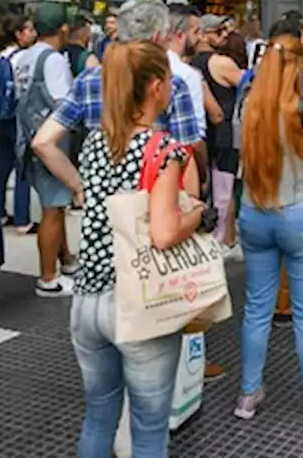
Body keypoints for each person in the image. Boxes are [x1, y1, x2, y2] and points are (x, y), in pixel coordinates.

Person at [67, 40, 205, 456]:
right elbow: (164, 233)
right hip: (138, 303)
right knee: (147, 430)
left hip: (87, 301)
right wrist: (197, 213)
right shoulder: (164, 150)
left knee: (98, 416)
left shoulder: (94, 142)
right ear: (156, 87)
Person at [232, 25, 303, 426]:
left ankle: (248, 395)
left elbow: (239, 164)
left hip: (255, 213)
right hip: (299, 213)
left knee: (257, 309)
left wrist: (229, 219)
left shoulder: (248, 108)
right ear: (298, 65)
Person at [12, 4, 78, 298]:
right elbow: (64, 103)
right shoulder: (53, 59)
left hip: (27, 139)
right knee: (52, 209)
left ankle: (66, 260)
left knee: (56, 204)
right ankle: (48, 278)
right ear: (63, 29)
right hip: (50, 143)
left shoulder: (25, 56)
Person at [193, 17, 246, 253]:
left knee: (204, 188)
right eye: (218, 31)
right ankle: (223, 239)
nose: (225, 35)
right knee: (225, 189)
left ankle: (222, 238)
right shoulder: (221, 62)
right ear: (203, 34)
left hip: (200, 134)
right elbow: (249, 85)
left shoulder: (188, 63)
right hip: (224, 132)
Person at [0, 15, 36, 231]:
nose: (32, 34)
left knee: (3, 164)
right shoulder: (23, 57)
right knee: (23, 166)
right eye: (28, 30)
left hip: (0, 117)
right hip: (17, 116)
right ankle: (22, 218)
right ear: (17, 34)